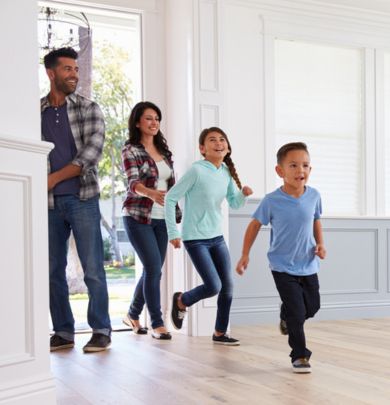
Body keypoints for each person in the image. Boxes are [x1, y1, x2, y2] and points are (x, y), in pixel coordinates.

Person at [41, 47, 111, 353]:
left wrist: (52, 180)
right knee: (52, 269)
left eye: (76, 69)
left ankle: (101, 329)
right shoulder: (36, 112)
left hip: (83, 198)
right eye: (68, 69)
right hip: (48, 205)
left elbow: (90, 155)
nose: (74, 75)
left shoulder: (89, 108)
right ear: (51, 73)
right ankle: (63, 331)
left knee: (93, 267)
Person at [236, 142, 326, 373]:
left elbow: (316, 220)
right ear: (280, 171)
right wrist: (245, 254)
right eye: (293, 165)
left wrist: (321, 244)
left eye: (305, 165)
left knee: (312, 307)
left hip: (308, 264)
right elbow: (254, 225)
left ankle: (286, 314)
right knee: (297, 312)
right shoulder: (271, 200)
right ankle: (299, 355)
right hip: (282, 266)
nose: (300, 171)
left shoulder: (314, 195)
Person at [166, 127, 253, 345]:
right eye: (212, 140)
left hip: (216, 237)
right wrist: (172, 231)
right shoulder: (196, 171)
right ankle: (181, 300)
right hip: (195, 238)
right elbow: (170, 198)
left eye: (222, 139)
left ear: (227, 147)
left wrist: (243, 194)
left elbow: (234, 203)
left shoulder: (225, 172)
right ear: (202, 149)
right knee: (214, 286)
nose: (218, 143)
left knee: (228, 287)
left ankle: (220, 333)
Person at [121, 101, 181, 340]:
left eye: (156, 118)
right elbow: (133, 183)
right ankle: (157, 323)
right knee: (154, 269)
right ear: (138, 122)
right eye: (148, 118)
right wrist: (151, 193)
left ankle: (132, 314)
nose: (154, 122)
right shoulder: (130, 150)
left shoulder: (165, 153)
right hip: (138, 216)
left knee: (152, 270)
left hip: (162, 219)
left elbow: (172, 186)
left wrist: (174, 217)